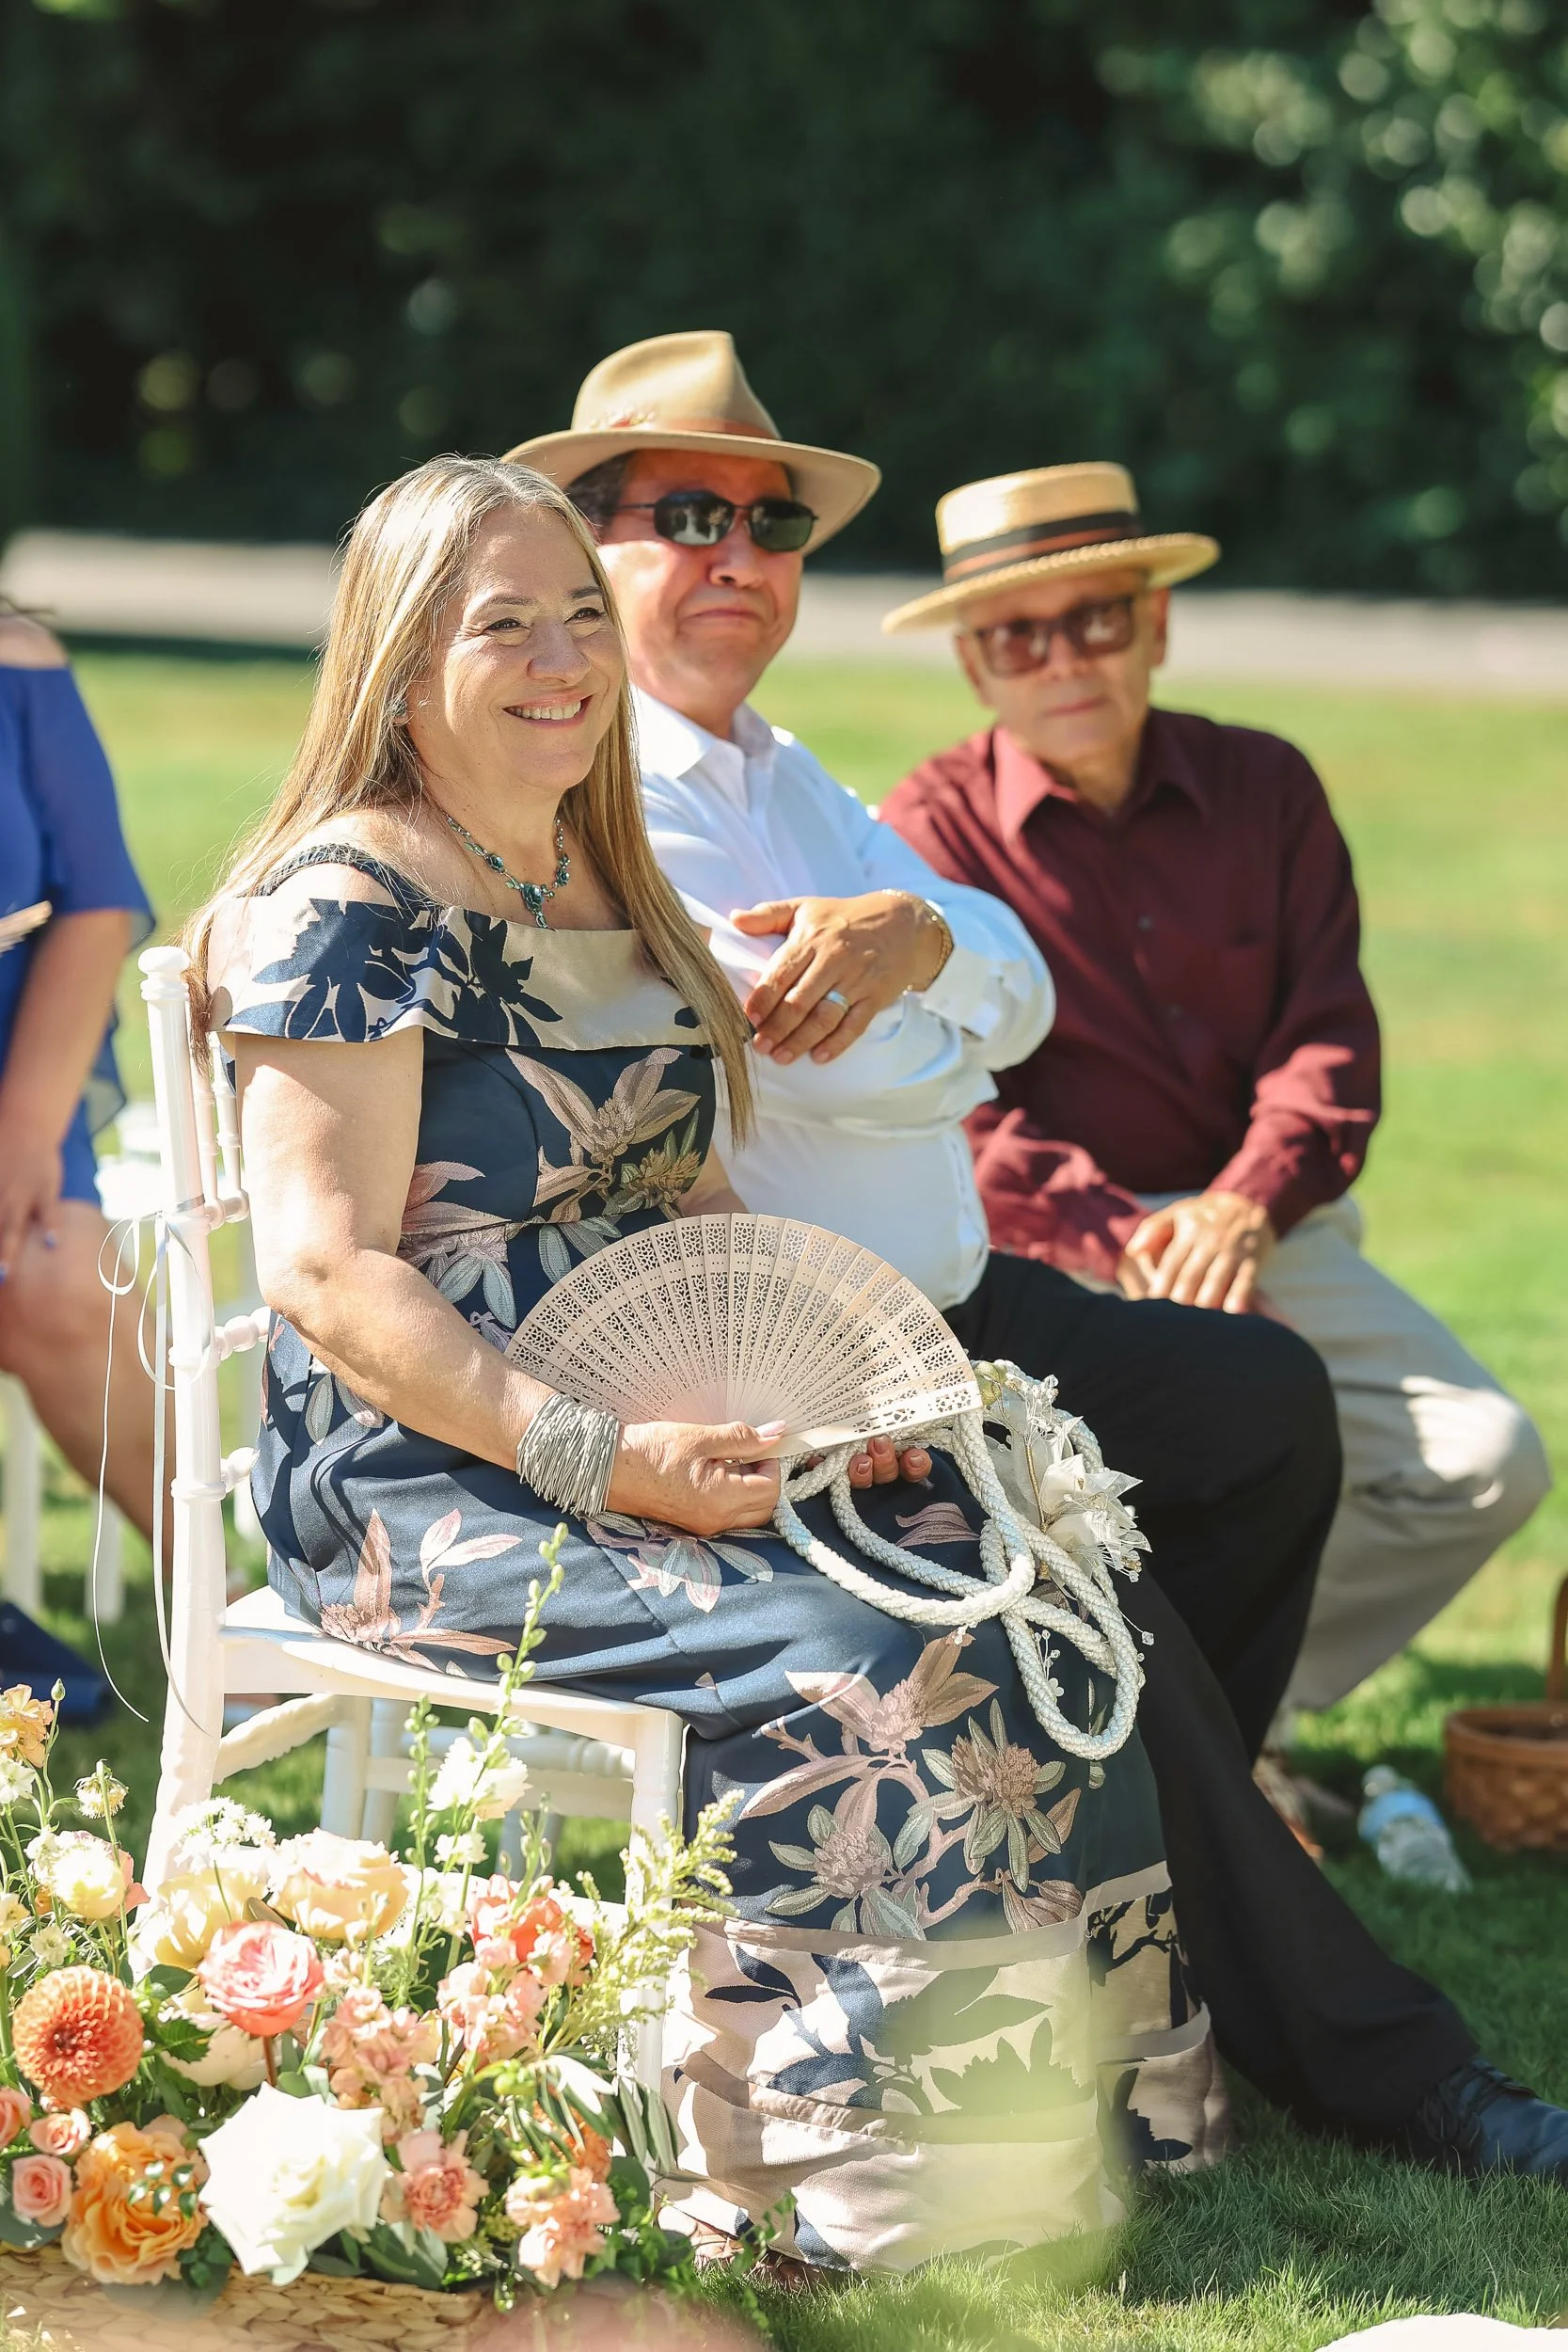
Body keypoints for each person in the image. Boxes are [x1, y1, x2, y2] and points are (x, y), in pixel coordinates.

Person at [508, 329, 1568, 2211]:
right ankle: (1391, 2061)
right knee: (1106, 1610)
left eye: (768, 517)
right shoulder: (614, 790)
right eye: (687, 515)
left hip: (952, 1305)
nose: (739, 550)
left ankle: (1143, 1851)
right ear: (589, 551)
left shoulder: (783, 765)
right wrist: (934, 986)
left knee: (1257, 1409)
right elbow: (847, 1068)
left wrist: (919, 943)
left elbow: (1011, 994)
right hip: (802, 1359)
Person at [194, 452, 1230, 2277]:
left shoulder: (599, 862)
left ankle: (1061, 2124)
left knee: (998, 1577)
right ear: (395, 650)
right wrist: (595, 1452)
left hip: (639, 1408)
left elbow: (689, 1192)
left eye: (578, 615)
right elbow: (329, 1271)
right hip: (424, 1469)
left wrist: (819, 1416)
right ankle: (829, 2196)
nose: (560, 657)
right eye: (496, 622)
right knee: (851, 1648)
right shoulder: (339, 900)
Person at [877, 463, 1551, 1724]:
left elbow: (1326, 1042)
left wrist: (1238, 1209)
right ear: (974, 666)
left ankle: (1209, 1721)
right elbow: (942, 1107)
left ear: (1156, 625)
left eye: (1096, 618)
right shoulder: (923, 831)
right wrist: (1113, 1231)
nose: (1062, 659)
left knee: (1480, 1463)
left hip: (1258, 1224)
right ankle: (1171, 1736)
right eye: (1018, 635)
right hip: (1052, 1248)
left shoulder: (1266, 789)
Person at [0, 607, 157, 1562]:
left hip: (13, 1081)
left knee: (57, 1272)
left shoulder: (16, 662)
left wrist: (20, 1136)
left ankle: (221, 1607)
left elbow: (95, 903)